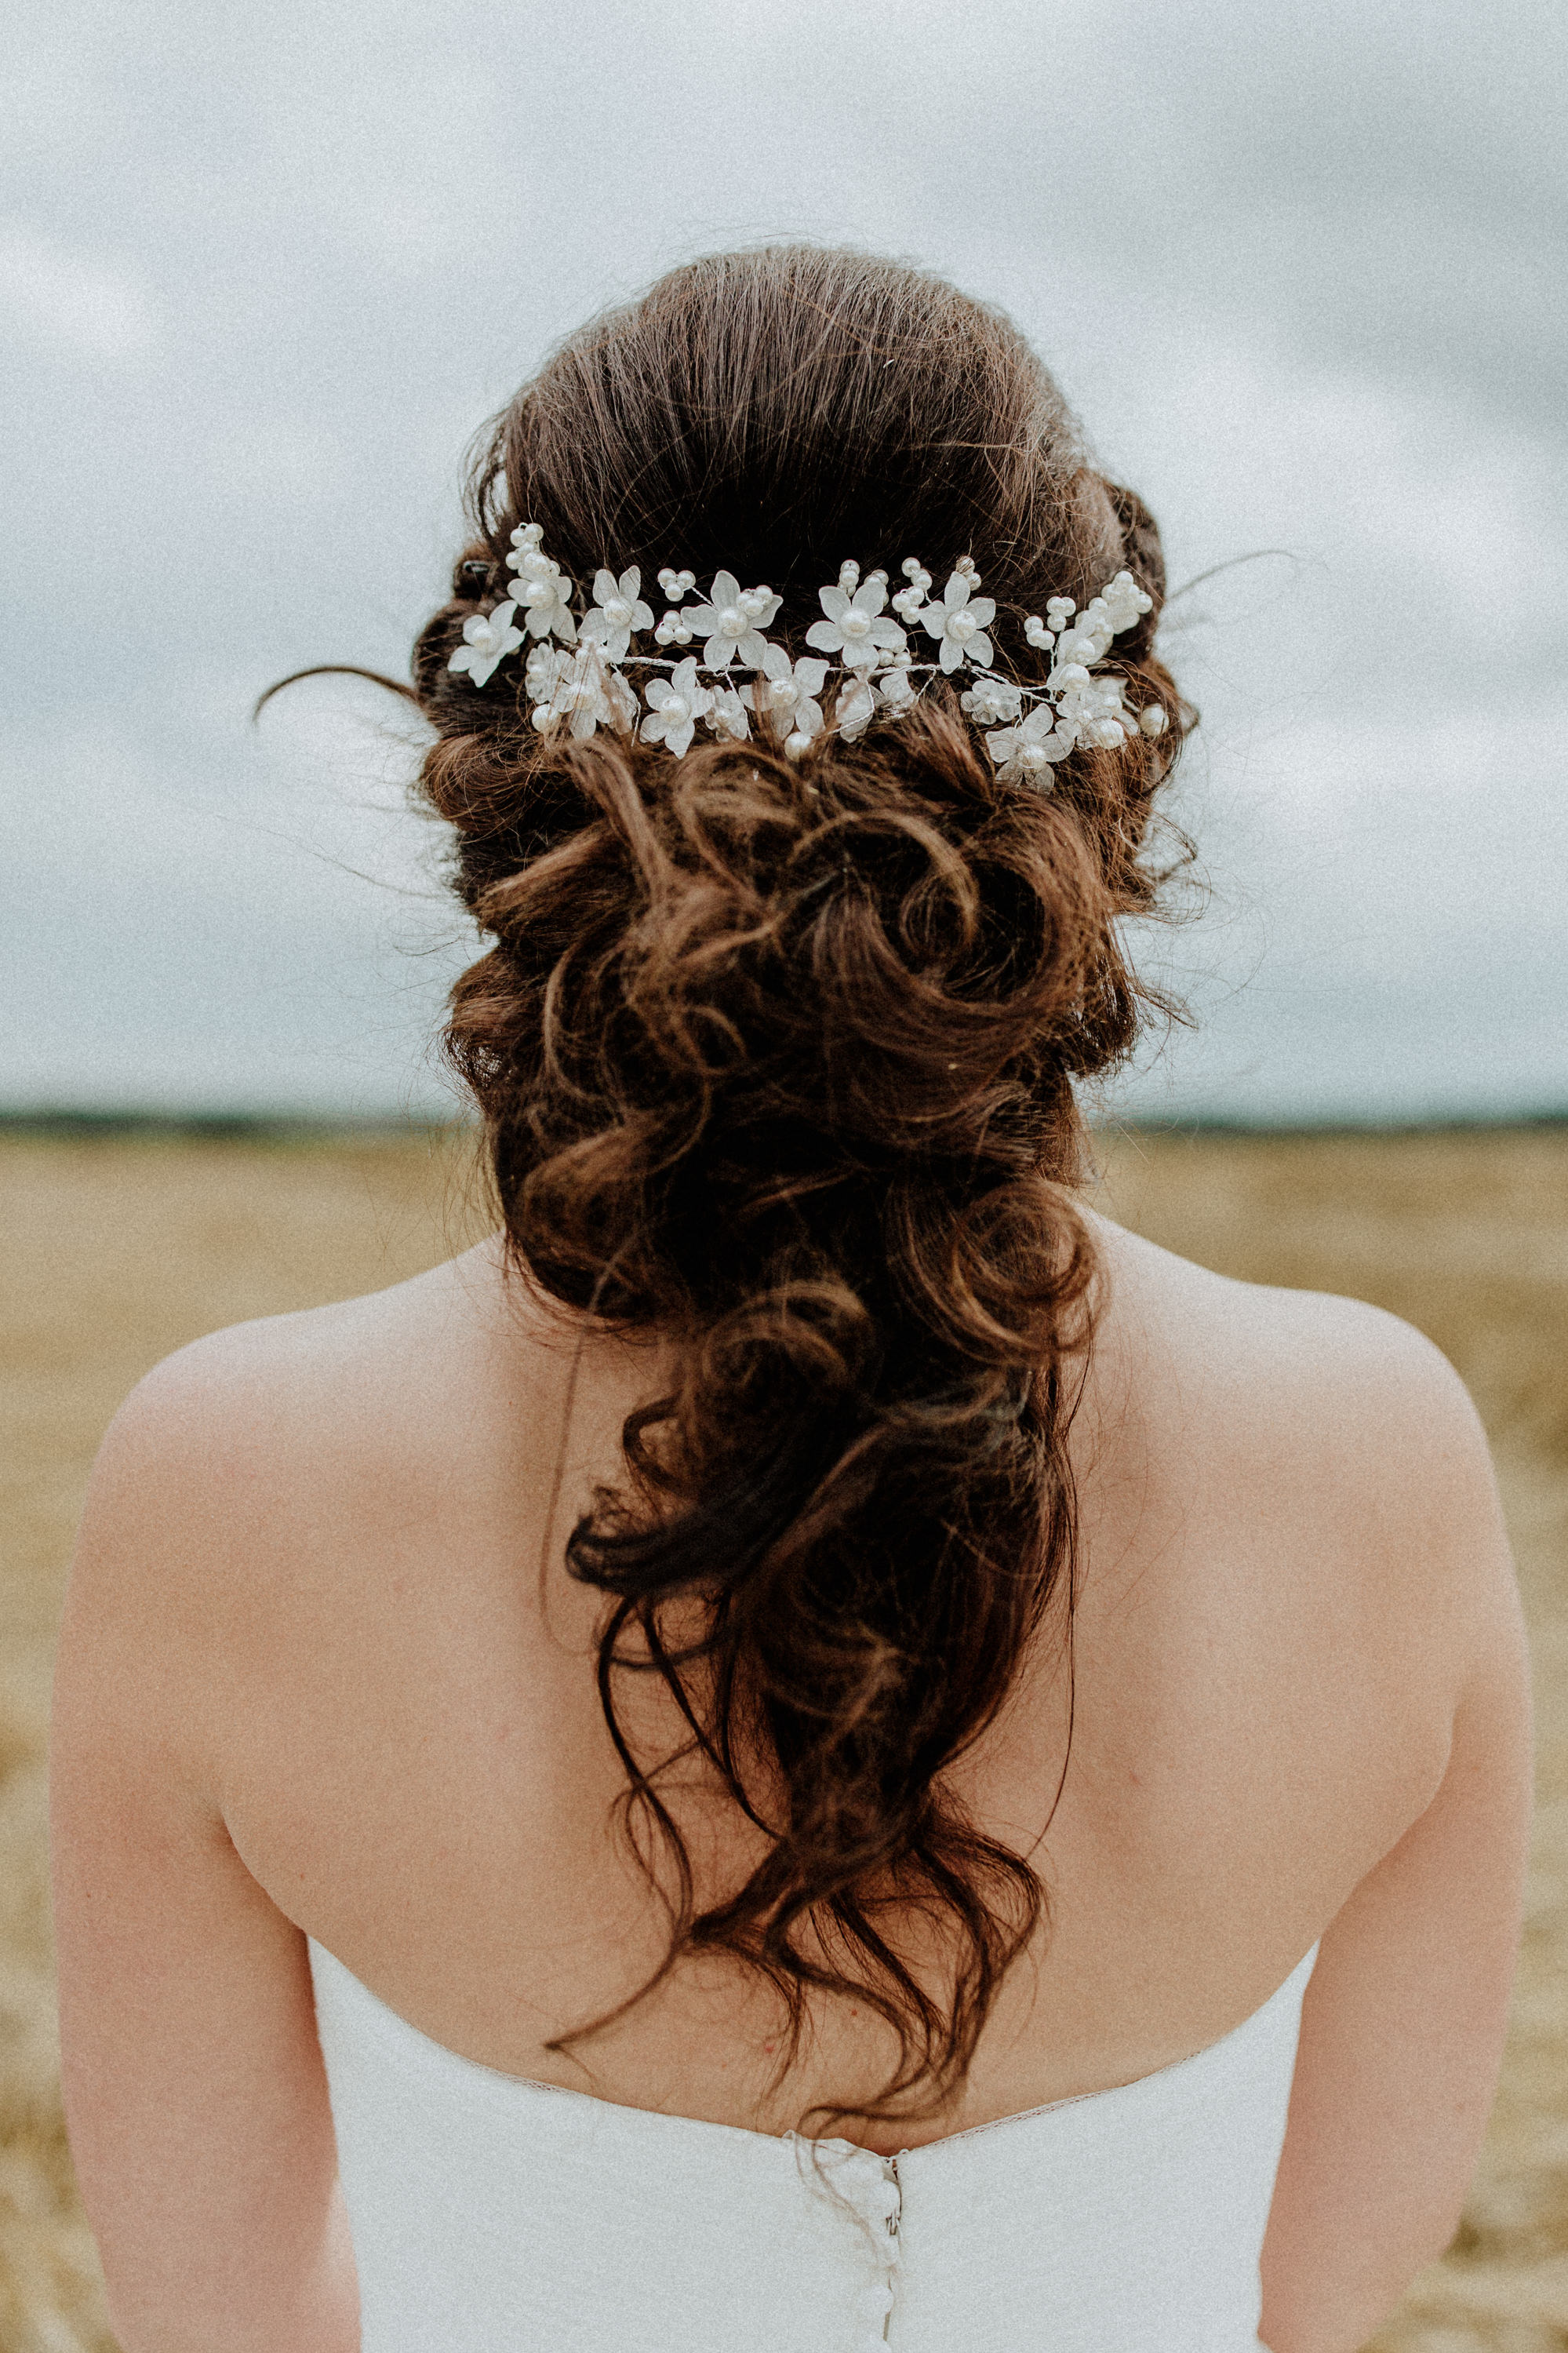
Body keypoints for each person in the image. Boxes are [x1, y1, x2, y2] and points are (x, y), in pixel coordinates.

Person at [49, 246, 1530, 2353]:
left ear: (520, 796)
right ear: (1088, 778)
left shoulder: (219, 1485)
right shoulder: (1378, 1456)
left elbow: (225, 2321)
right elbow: (1312, 2280)